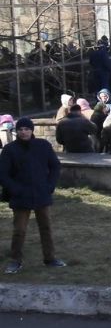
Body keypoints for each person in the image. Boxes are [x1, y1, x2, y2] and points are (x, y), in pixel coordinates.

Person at [0, 117, 66, 274]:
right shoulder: (10, 149)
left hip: (41, 192)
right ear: (17, 131)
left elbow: (55, 166)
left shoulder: (43, 146)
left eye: (27, 129)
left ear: (32, 130)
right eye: (21, 129)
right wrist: (15, 189)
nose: (24, 132)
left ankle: (50, 258)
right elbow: (3, 174)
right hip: (21, 195)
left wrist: (50, 186)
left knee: (46, 227)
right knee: (19, 230)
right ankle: (15, 260)